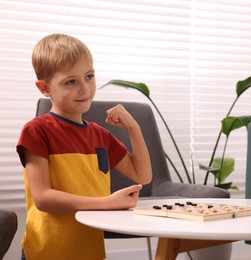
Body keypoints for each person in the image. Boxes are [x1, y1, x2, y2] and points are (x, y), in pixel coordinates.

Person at [16, 34, 152, 260]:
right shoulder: (36, 131)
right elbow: (43, 198)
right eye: (70, 81)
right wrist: (106, 203)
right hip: (47, 252)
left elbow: (143, 175)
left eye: (89, 76)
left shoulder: (100, 135)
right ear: (44, 88)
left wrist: (133, 128)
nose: (85, 89)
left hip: (90, 252)